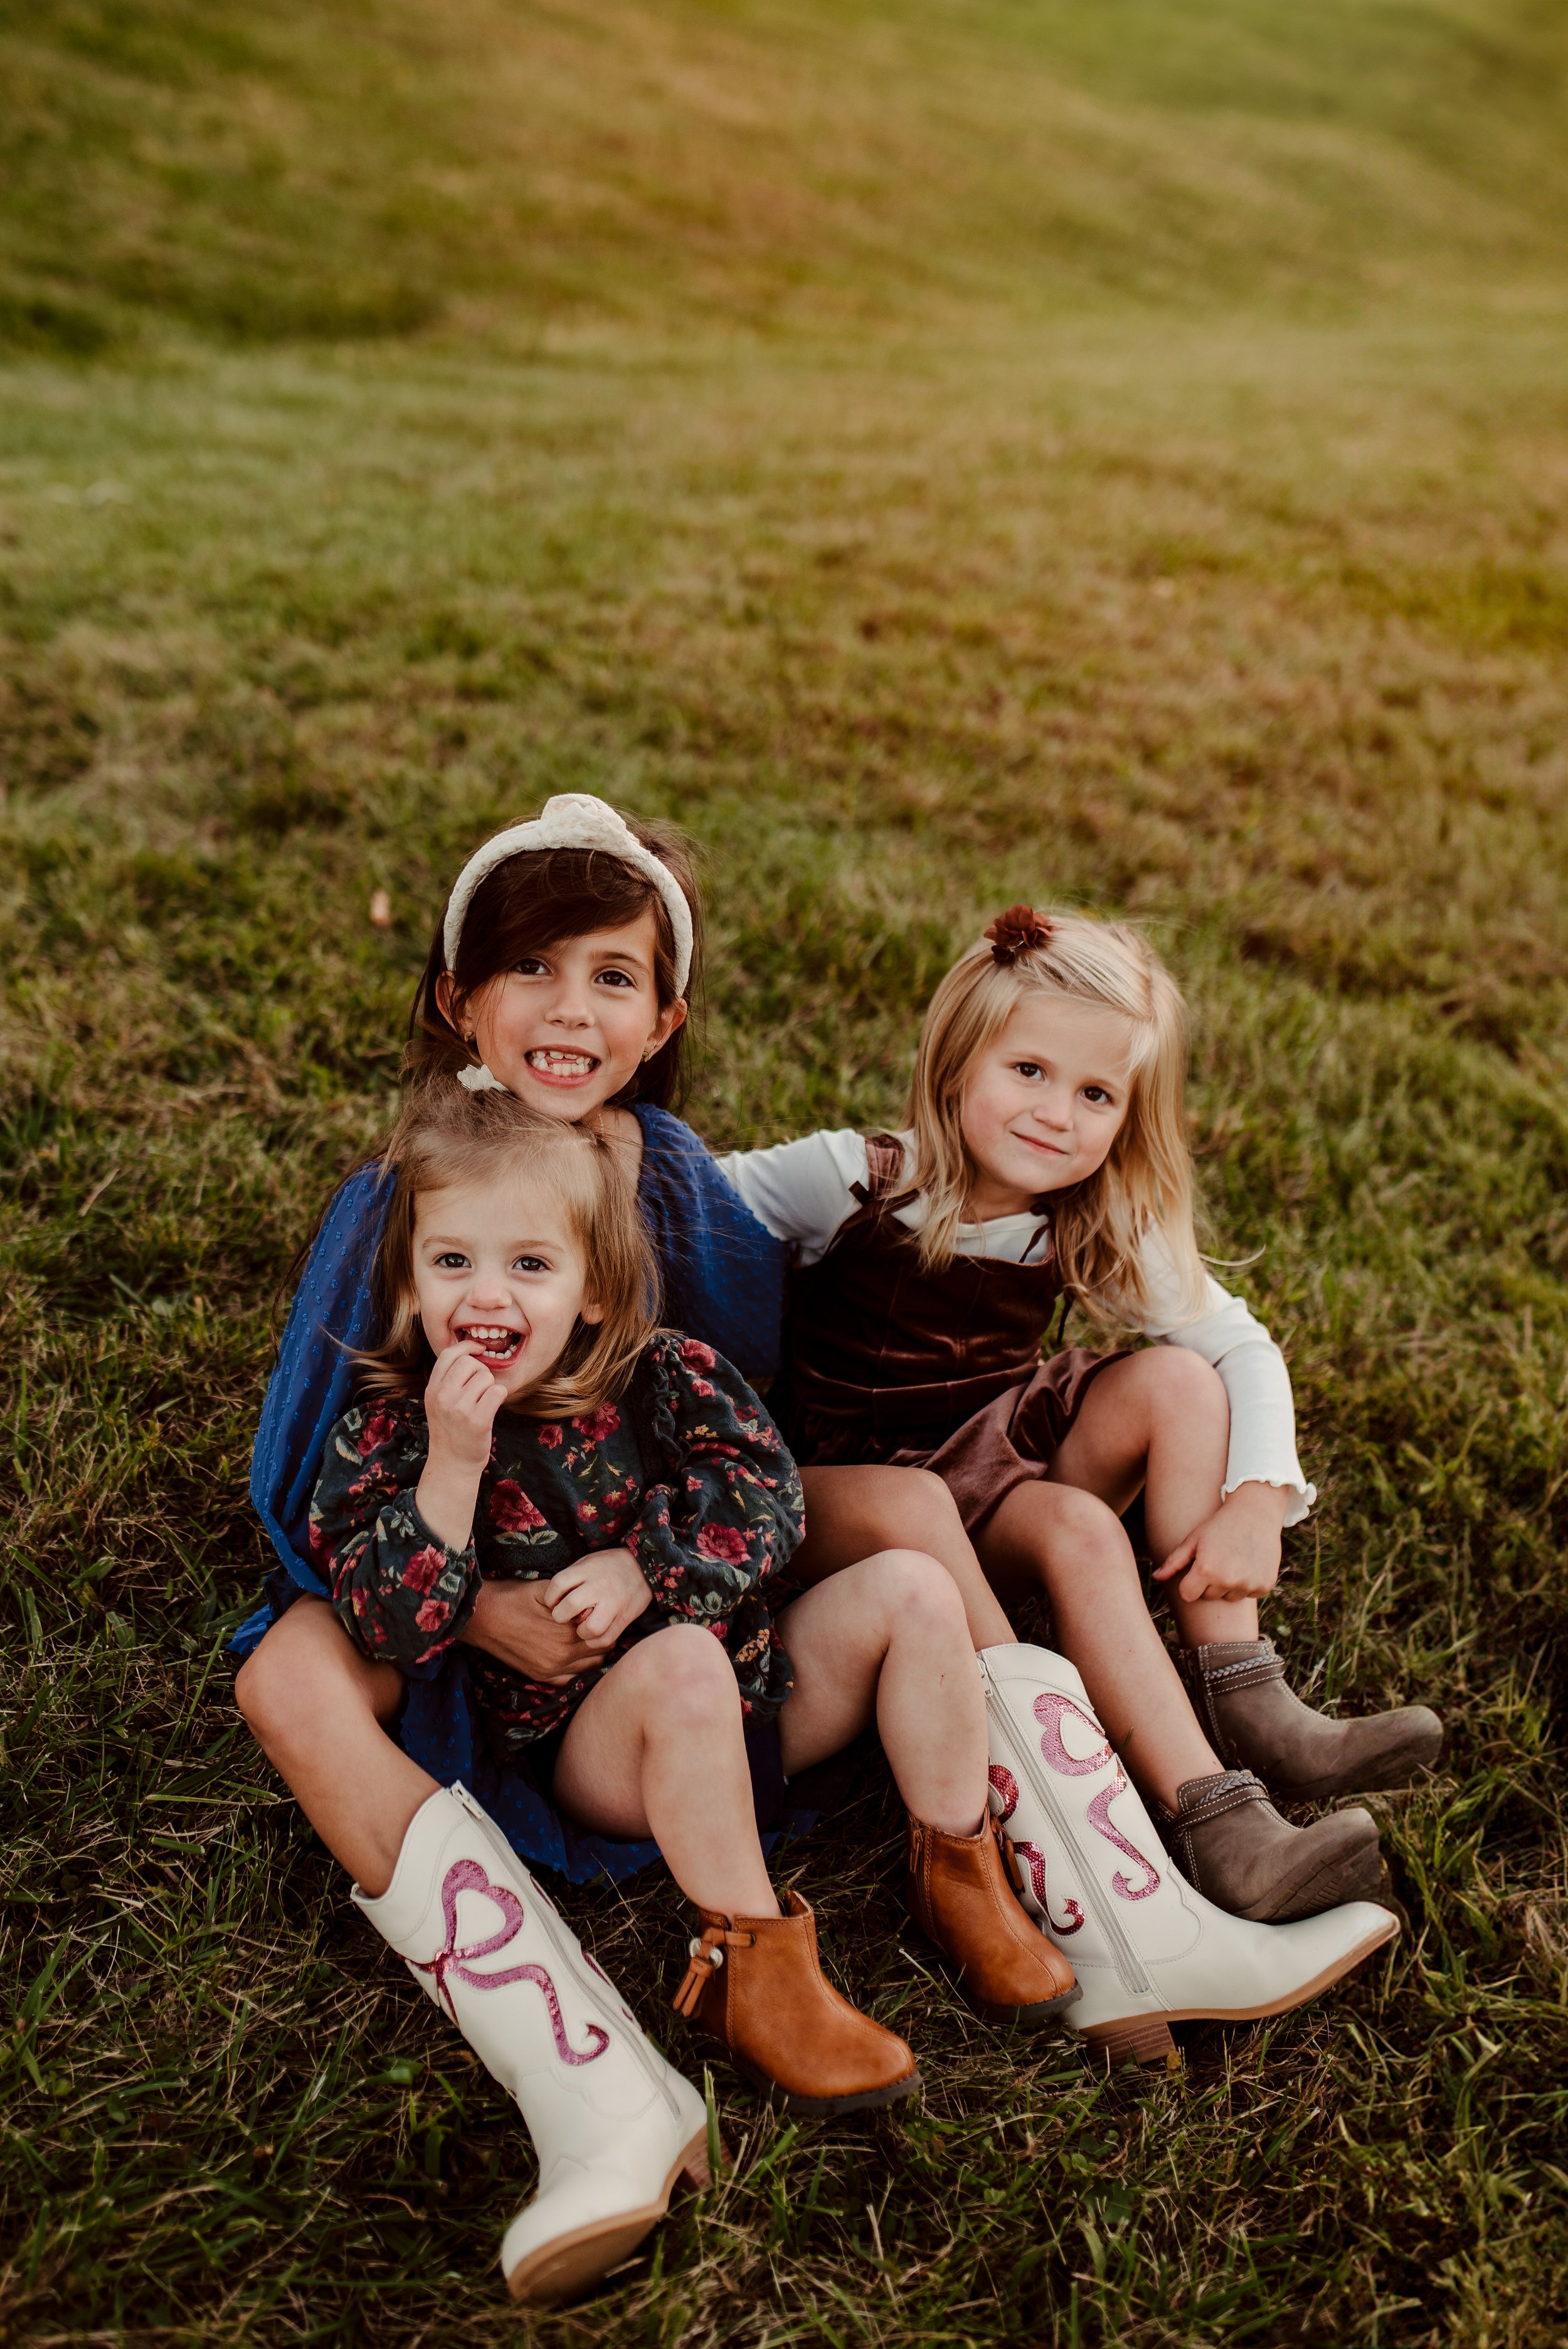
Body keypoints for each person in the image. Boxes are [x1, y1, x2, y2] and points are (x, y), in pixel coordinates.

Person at [236, 1084, 1077, 2299]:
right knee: (679, 1662)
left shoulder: (661, 1373)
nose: (487, 1294)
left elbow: (769, 1498)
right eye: (452, 1260)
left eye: (528, 1262)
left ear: (590, 1287)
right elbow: (390, 1619)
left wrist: (649, 1567)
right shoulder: (391, 1432)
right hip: (602, 1745)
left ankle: (963, 1871)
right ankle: (754, 1965)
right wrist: (455, 1468)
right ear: (411, 1285)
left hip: (755, 1693)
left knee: (909, 1589)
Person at [241, 792, 1007, 1884]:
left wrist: (661, 1559)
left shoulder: (676, 1177)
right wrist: (476, 1609)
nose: (569, 1011)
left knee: (913, 1511)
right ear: (461, 1002)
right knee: (294, 1667)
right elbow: (311, 1483)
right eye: (533, 969)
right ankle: (510, 1943)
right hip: (473, 1586)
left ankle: (1068, 1834)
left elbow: (747, 1393)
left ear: (661, 1020)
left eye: (611, 977)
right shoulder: (401, 1199)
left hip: (653, 1555)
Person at [717, 904, 1443, 1925]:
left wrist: (1257, 1498)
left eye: (1096, 1092)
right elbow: (684, 1211)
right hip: (844, 1491)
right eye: (1029, 1071)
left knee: (1173, 1398)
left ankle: (1237, 1741)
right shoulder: (854, 1179)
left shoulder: (1082, 1217)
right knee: (922, 1503)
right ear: (957, 1058)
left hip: (987, 1461)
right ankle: (1067, 1786)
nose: (1058, 1113)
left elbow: (1239, 1346)